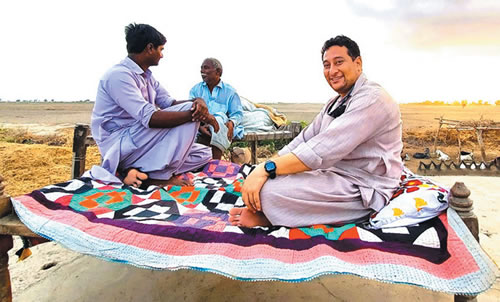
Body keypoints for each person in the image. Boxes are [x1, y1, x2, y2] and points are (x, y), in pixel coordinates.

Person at [229, 35, 403, 228]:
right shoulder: (335, 102)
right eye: (327, 65)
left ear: (358, 63)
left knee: (268, 191)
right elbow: (304, 140)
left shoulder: (372, 98)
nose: (332, 71)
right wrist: (263, 168)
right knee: (265, 178)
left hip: (363, 185)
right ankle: (277, 211)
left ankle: (269, 218)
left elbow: (321, 151)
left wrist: (265, 169)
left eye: (339, 62)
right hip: (333, 175)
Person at [91, 23, 219, 188]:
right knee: (190, 111)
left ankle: (138, 171)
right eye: (161, 49)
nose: (162, 55)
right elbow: (150, 118)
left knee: (203, 153)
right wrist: (197, 114)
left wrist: (199, 101)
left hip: (140, 139)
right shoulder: (118, 76)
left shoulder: (147, 77)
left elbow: (170, 103)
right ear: (150, 48)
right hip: (120, 144)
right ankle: (159, 177)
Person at [189, 58, 244, 159]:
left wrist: (231, 123)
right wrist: (200, 126)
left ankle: (215, 162)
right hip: (200, 125)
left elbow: (237, 113)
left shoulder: (230, 91)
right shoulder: (195, 90)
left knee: (219, 118)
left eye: (206, 68)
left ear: (218, 72)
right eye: (201, 68)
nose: (202, 71)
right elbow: (191, 111)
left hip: (220, 126)